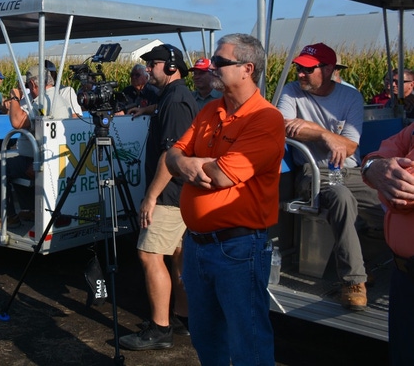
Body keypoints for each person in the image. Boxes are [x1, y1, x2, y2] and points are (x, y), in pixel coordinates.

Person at [165, 33, 284, 366]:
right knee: (205, 337)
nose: (211, 67)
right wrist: (185, 163)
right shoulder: (210, 110)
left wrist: (186, 165)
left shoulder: (265, 118)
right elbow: (172, 155)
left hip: (238, 249)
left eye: (219, 61)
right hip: (198, 245)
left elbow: (221, 176)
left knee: (248, 341)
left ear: (247, 69)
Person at [276, 42, 380, 310]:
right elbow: (284, 127)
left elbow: (350, 146)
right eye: (299, 68)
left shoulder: (350, 97)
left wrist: (309, 127)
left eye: (307, 69)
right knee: (341, 198)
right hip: (313, 171)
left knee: (391, 204)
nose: (300, 74)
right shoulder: (291, 92)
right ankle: (353, 281)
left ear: (329, 69)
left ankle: (367, 262)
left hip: (351, 171)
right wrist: (323, 134)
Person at [120, 45, 196, 351]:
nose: (148, 69)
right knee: (178, 257)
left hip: (168, 194)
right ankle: (181, 319)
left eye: (153, 64)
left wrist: (150, 196)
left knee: (150, 255)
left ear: (172, 66)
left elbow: (171, 154)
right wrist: (146, 109)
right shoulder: (172, 96)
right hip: (180, 194)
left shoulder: (175, 101)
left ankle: (160, 329)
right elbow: (170, 113)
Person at [0, 66, 75, 229]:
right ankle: (31, 209)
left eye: (27, 86)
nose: (27, 90)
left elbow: (17, 122)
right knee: (18, 165)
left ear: (34, 85)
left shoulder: (43, 101)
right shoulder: (58, 98)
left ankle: (8, 217)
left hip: (40, 159)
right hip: (53, 157)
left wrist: (15, 98)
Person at [360, 129, 414, 366]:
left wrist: (379, 174)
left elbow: (402, 194)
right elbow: (378, 155)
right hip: (404, 277)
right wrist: (373, 167)